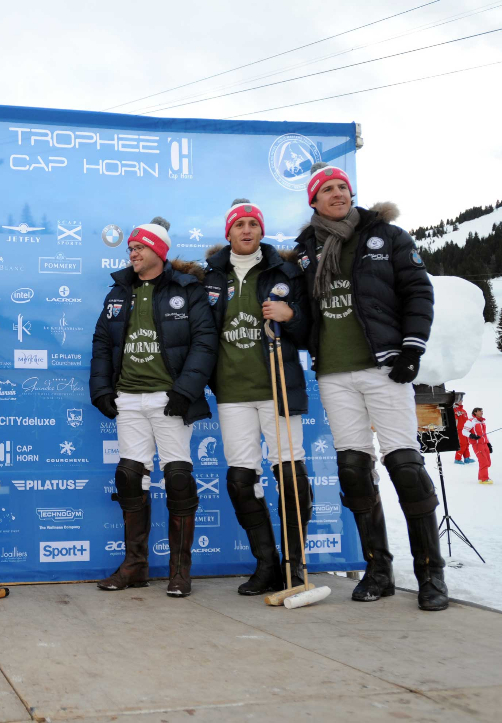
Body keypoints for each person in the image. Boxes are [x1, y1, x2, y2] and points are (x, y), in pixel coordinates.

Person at [294, 162, 448, 611]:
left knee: (403, 464)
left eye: (343, 186)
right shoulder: (306, 250)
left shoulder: (386, 236)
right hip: (333, 372)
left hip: (384, 368)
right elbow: (307, 310)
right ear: (314, 201)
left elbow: (418, 290)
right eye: (328, 189)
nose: (338, 193)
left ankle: (430, 573)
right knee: (352, 469)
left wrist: (411, 348)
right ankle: (378, 569)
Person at [90, 216, 218, 597]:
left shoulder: (187, 290)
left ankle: (180, 570)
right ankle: (136, 566)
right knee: (130, 475)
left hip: (169, 398)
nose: (132, 252)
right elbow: (102, 342)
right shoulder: (117, 292)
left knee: (178, 477)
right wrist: (101, 390)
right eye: (130, 247)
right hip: (128, 398)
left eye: (139, 247)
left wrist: (186, 389)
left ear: (158, 252)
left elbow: (204, 341)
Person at [203, 199, 312, 595]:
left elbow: (311, 329)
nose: (246, 230)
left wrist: (291, 316)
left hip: (277, 389)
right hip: (232, 392)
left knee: (290, 474)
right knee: (240, 478)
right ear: (228, 233)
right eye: (239, 225)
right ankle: (266, 563)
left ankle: (293, 564)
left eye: (253, 224)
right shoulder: (210, 278)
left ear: (261, 231)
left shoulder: (284, 273)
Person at [463, 407, 492, 484]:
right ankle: (484, 479)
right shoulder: (471, 421)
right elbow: (464, 431)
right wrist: (472, 435)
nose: (481, 412)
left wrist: (488, 443)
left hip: (484, 444)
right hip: (477, 444)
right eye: (480, 411)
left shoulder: (482, 422)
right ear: (475, 412)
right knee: (483, 461)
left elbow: (484, 434)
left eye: (482, 411)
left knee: (488, 462)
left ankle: (481, 477)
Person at [454, 395, 472, 464]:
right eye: (459, 400)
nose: (461, 402)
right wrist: (456, 414)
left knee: (467, 443)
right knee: (462, 444)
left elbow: (466, 421)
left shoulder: (463, 411)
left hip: (465, 430)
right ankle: (457, 459)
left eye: (461, 400)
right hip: (459, 430)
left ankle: (466, 458)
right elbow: (452, 420)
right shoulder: (454, 409)